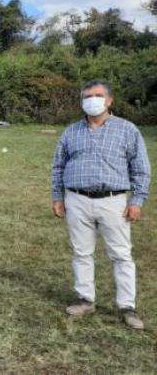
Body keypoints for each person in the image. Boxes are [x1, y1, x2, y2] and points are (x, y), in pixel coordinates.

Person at [51, 79, 150, 330]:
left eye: (96, 95)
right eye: (86, 96)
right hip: (77, 199)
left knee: (121, 254)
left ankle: (127, 305)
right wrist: (57, 196)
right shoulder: (71, 131)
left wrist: (137, 200)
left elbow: (141, 169)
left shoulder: (127, 130)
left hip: (113, 201)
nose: (91, 100)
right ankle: (86, 298)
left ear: (109, 100)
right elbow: (58, 166)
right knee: (81, 252)